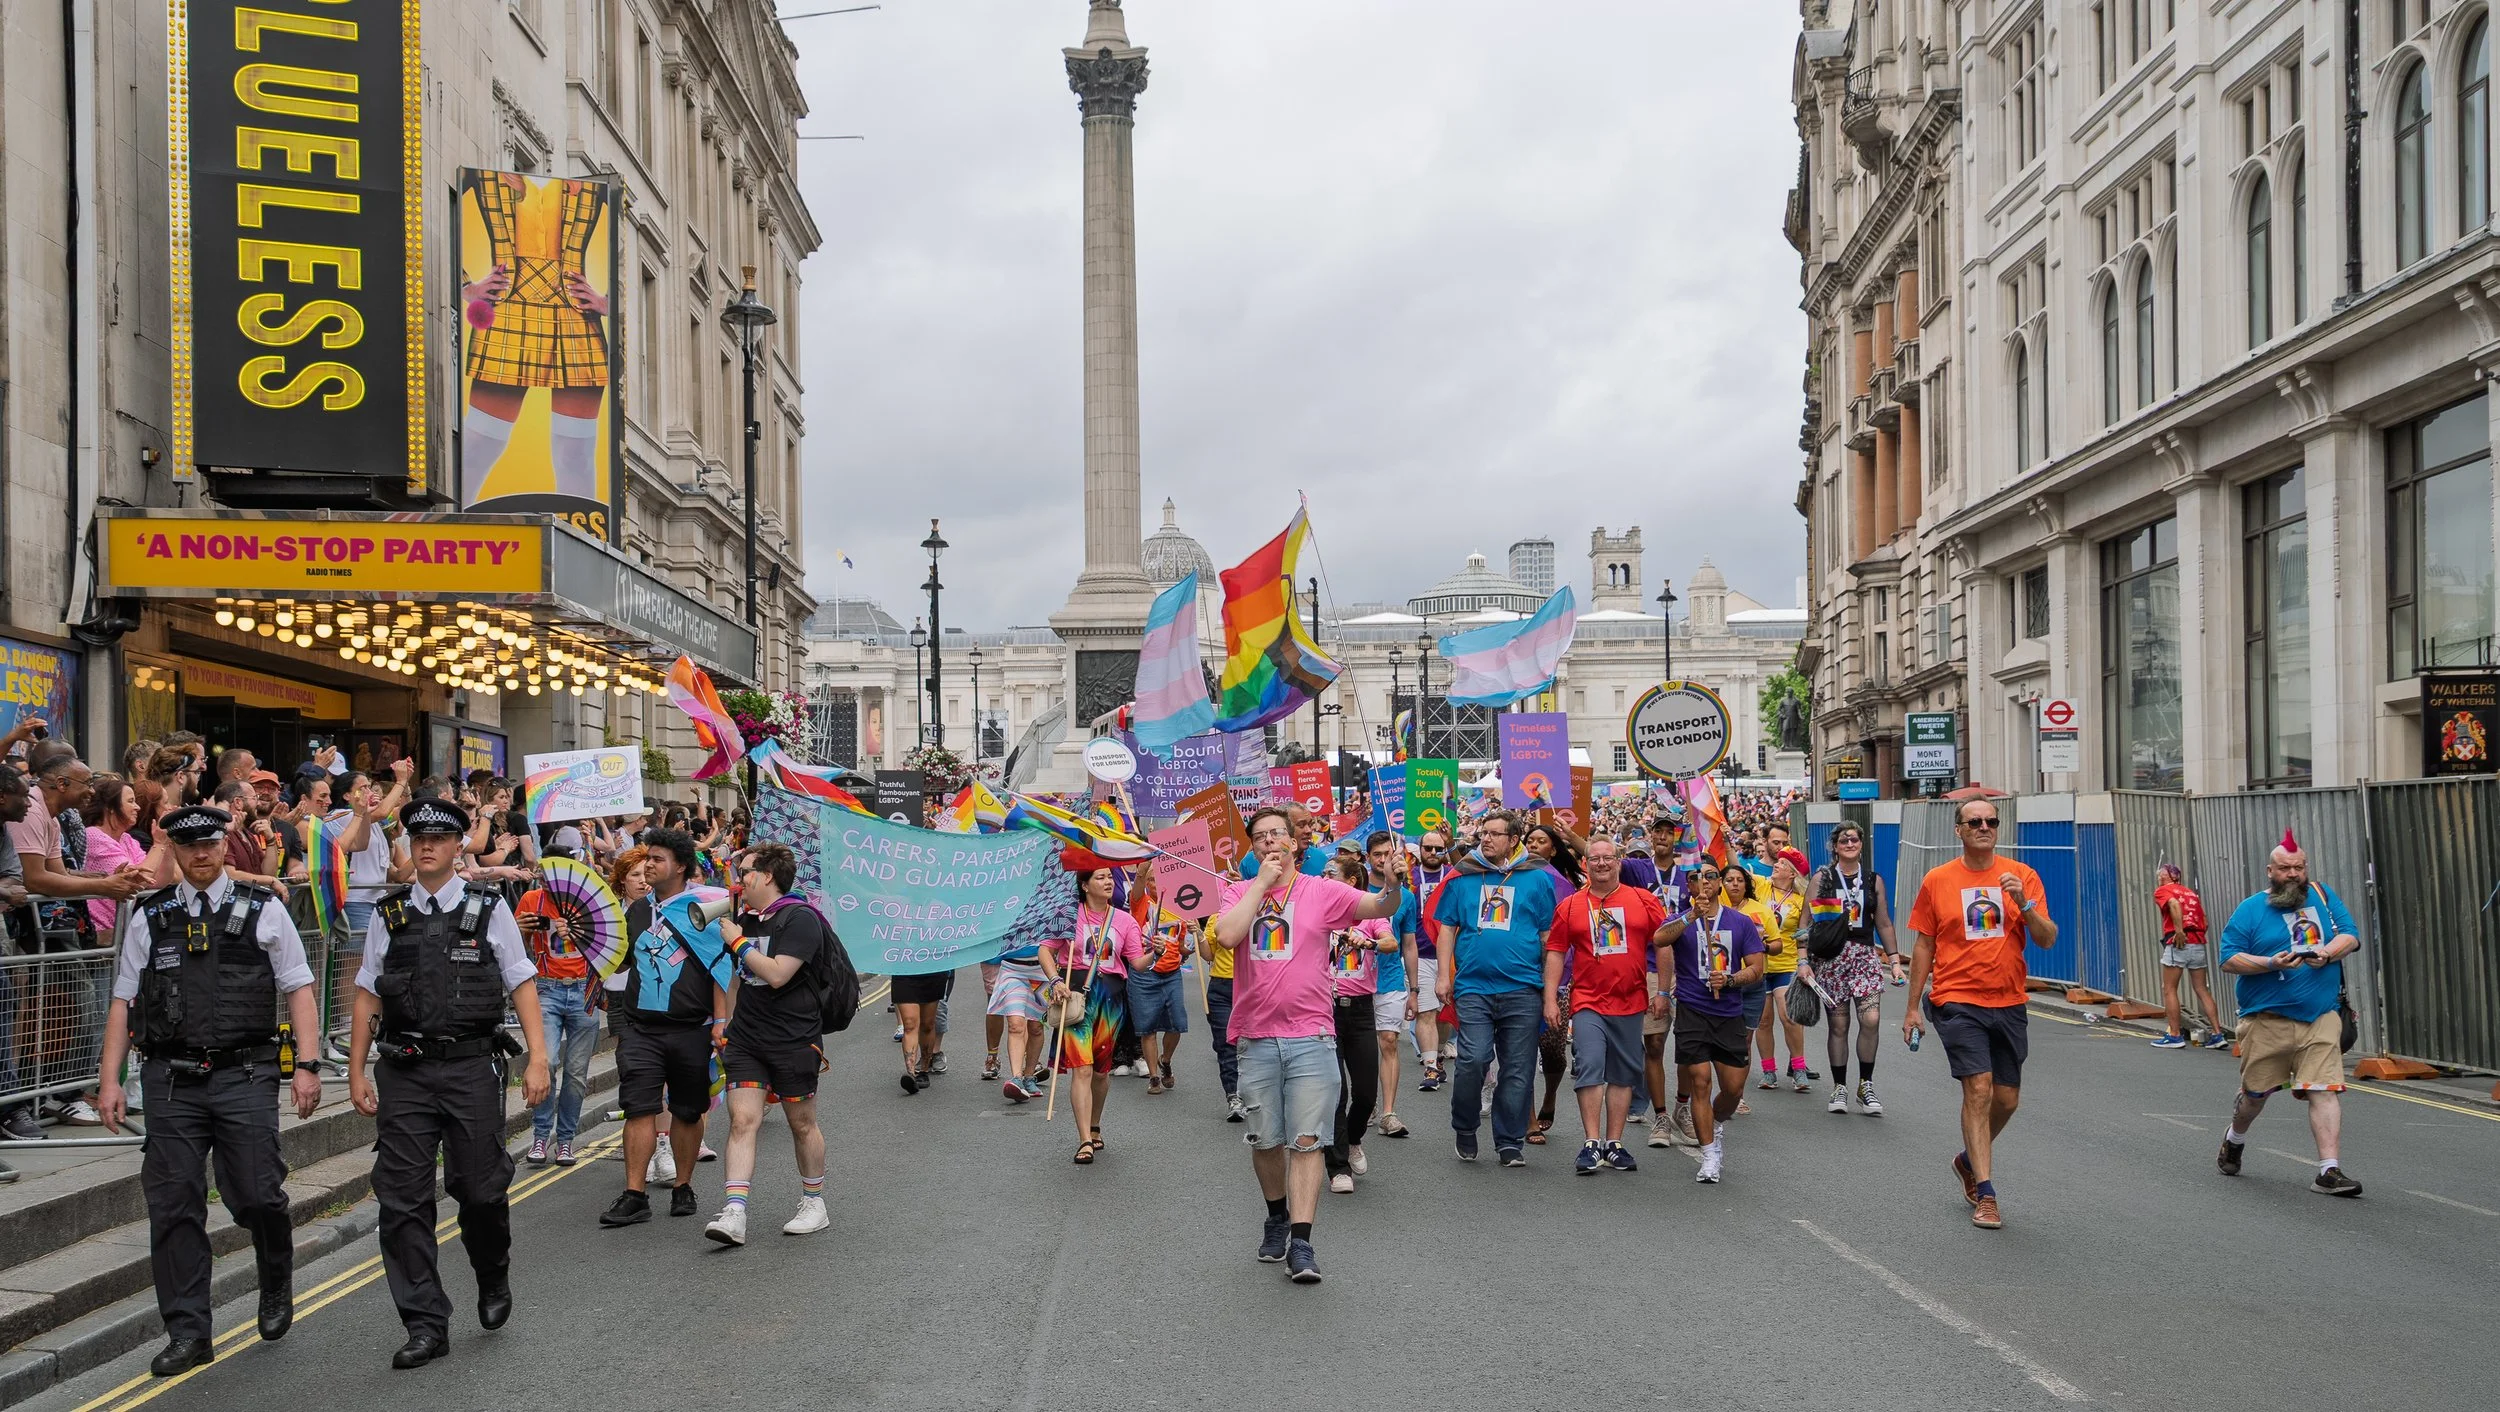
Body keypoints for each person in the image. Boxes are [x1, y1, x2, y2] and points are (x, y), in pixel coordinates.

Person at [93, 804, 323, 1376]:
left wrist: (307, 1066)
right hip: (171, 1080)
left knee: (257, 1195)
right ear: (171, 849)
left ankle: (274, 1276)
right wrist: (109, 1081)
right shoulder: (152, 916)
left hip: (245, 1073)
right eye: (187, 845)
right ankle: (189, 1332)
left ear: (224, 846)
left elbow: (298, 987)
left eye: (209, 844)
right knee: (173, 1209)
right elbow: (123, 1001)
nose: (200, 854)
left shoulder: (265, 909)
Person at [346, 797, 549, 1369]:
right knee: (401, 1200)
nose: (428, 846)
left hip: (470, 1068)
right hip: (405, 1072)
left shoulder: (488, 911)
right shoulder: (388, 916)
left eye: (439, 838)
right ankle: (425, 1322)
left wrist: (538, 1058)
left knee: (480, 1190)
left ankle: (492, 1273)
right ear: (409, 847)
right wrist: (357, 1069)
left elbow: (521, 982)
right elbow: (366, 994)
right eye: (418, 839)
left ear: (459, 845)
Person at [1211, 805, 1402, 1283]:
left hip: (1313, 1036)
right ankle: (1275, 1216)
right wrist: (1260, 885)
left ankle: (1302, 1240)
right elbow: (1229, 935)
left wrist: (1394, 882)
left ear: (1295, 842)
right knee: (1266, 1140)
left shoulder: (1322, 890)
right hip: (1256, 1036)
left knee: (1307, 1140)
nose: (1272, 842)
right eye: (1261, 837)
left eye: (1279, 834)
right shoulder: (1237, 892)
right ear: (1253, 847)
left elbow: (1378, 909)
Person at [1903, 799, 2057, 1230]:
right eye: (1975, 822)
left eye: (1990, 821)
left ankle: (1969, 1160)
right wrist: (1913, 1007)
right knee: (1979, 1088)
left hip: (2008, 1001)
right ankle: (1986, 1194)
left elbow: (2047, 938)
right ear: (1959, 830)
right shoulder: (1938, 880)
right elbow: (1924, 945)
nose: (1984, 827)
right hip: (1956, 999)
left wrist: (2023, 903)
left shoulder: (2022, 876)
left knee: (2007, 1099)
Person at [2215, 834, 2364, 1196]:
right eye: (2285, 868)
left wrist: (2327, 953)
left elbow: (2351, 935)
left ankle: (2329, 1171)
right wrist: (2269, 962)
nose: (2294, 874)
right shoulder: (2250, 909)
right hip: (2266, 1021)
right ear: (2270, 871)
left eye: (2300, 867)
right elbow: (2228, 958)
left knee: (2324, 1090)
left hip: (2320, 1017)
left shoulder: (2324, 897)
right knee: (2254, 1097)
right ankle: (2235, 1138)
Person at [704, 843, 835, 1244]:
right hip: (747, 1039)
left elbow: (778, 973)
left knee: (802, 1124)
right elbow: (738, 976)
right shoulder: (748, 918)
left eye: (744, 872)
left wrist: (739, 942)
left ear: (767, 876)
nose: (738, 880)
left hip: (793, 1039)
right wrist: (725, 1022)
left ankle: (814, 1202)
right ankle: (734, 1212)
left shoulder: (801, 919)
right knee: (743, 1120)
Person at [600, 828, 731, 1227]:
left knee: (687, 1111)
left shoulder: (706, 906)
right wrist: (588, 940)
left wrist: (721, 1021)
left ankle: (683, 1185)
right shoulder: (638, 911)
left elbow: (721, 968)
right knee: (639, 1107)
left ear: (680, 866)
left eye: (657, 859)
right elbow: (621, 963)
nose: (649, 866)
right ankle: (634, 1194)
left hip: (692, 1027)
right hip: (641, 1028)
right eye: (647, 859)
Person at [1432, 810, 1563, 1167]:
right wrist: (1443, 975)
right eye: (1483, 833)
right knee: (1472, 1059)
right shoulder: (1463, 876)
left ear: (1513, 839)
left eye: (1494, 834)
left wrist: (1549, 991)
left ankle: (1508, 1141)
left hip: (1522, 988)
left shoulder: (1536, 878)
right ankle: (1465, 1125)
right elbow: (1446, 927)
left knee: (1518, 1069)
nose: (1485, 839)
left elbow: (1547, 936)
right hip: (1473, 986)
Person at [1543, 838, 1671, 1173]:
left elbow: (1664, 943)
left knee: (1622, 1073)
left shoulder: (1643, 900)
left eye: (1608, 858)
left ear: (1619, 862)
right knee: (1589, 1064)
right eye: (1594, 858)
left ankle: (1614, 1143)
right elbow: (1556, 951)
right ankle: (1591, 1143)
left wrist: (1665, 992)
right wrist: (1550, 998)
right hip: (1587, 1000)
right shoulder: (1570, 906)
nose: (1601, 864)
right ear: (1585, 863)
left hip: (1631, 1001)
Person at [1039, 860, 1144, 1161]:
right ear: (1085, 885)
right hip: (1074, 995)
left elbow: (1137, 963)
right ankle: (1084, 1138)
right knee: (1081, 1068)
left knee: (1100, 1071)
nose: (1108, 882)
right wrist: (1055, 980)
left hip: (1111, 1000)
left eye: (1110, 877)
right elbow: (1045, 950)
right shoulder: (1068, 916)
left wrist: (1159, 952)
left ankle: (1095, 1123)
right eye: (1100, 878)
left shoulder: (1125, 921)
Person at [1674, 860, 1765, 1182]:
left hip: (1728, 1013)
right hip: (1692, 1010)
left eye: (1712, 876)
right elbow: (1658, 938)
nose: (1706, 881)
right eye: (1697, 877)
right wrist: (1690, 916)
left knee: (1733, 1089)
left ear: (1721, 883)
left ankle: (1714, 1122)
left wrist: (1729, 980)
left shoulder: (1740, 923)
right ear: (1691, 886)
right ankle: (1709, 1155)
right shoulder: (1683, 920)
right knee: (1699, 1080)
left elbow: (1757, 967)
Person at [1802, 821, 1901, 1116]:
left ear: (1861, 844)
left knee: (1870, 1019)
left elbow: (1883, 922)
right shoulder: (1823, 877)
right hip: (1832, 958)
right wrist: (1803, 961)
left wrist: (1894, 961)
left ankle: (1865, 1084)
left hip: (1864, 957)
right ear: (1835, 846)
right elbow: (1804, 923)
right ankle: (1840, 1087)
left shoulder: (1873, 880)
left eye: (1854, 839)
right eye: (1843, 840)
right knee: (1839, 1025)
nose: (1849, 844)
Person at [520, 867, 601, 1169]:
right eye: (542, 875)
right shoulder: (531, 899)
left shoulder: (587, 902)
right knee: (546, 1062)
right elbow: (516, 948)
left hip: (583, 990)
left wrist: (579, 932)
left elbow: (605, 945)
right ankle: (541, 1136)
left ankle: (565, 1141)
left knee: (577, 1074)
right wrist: (521, 928)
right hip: (547, 988)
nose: (546, 881)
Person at [1324, 853, 1394, 1193]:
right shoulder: (1319, 913)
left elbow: (1390, 943)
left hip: (1362, 1011)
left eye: (1331, 873)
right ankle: (1337, 1167)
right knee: (1337, 1092)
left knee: (1366, 1094)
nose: (1323, 877)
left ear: (1351, 881)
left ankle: (1353, 1139)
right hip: (1324, 1009)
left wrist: (1367, 942)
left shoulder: (1368, 916)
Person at [1365, 833, 1419, 1139]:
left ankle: (1388, 1112)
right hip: (1353, 983)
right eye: (1377, 854)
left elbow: (1409, 945)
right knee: (1356, 1048)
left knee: (1387, 1041)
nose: (1384, 859)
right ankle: (1364, 1100)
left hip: (1390, 980)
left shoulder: (1406, 898)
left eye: (1389, 853)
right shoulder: (1355, 890)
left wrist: (1414, 991)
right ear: (1368, 856)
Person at [1126, 862, 1194, 1095]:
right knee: (1148, 1028)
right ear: (1147, 883)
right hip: (1144, 974)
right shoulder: (1141, 903)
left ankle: (1165, 1059)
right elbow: (1138, 881)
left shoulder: (1181, 908)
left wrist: (1193, 945)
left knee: (1177, 1023)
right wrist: (1144, 864)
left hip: (1171, 974)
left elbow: (1182, 947)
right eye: (1153, 880)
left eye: (1163, 879)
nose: (1158, 884)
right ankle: (1154, 1077)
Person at [1746, 853, 1812, 1091]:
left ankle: (1799, 1068)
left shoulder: (1800, 899)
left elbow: (1809, 928)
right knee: (1763, 1021)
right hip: (1759, 965)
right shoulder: (1762, 886)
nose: (1776, 864)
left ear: (1793, 873)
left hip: (1786, 964)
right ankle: (1769, 1070)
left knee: (1788, 1016)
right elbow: (1735, 867)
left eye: (1783, 863)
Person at [2152, 863, 2227, 1050]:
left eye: (2159, 876)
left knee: (2169, 989)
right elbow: (2204, 920)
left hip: (2178, 943)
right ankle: (2217, 1034)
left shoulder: (2162, 891)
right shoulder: (2191, 893)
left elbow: (2174, 904)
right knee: (2201, 989)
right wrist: (2197, 936)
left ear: (2164, 877)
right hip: (2198, 942)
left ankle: (2174, 1035)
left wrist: (2179, 932)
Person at [1405, 829, 1456, 1089]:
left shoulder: (1454, 876)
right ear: (1420, 849)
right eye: (1428, 848)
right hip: (1421, 953)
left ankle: (1438, 1057)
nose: (1434, 853)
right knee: (1425, 1011)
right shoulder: (1410, 878)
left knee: (1443, 1014)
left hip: (1451, 956)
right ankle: (1430, 1068)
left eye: (1439, 849)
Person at [989, 908, 1053, 1104]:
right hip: (1012, 969)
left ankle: (1028, 1076)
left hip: (1042, 969)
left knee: (1035, 1027)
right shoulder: (1008, 900)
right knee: (1016, 1023)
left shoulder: (1048, 898)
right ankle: (1016, 1078)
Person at [891, 952, 951, 1092]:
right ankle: (911, 1072)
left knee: (927, 1025)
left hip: (932, 966)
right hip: (903, 968)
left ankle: (923, 1070)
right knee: (910, 1024)